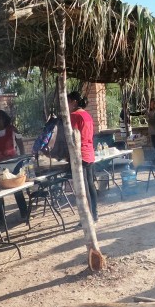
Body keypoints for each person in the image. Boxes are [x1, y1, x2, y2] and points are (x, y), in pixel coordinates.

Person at [0, 110, 29, 220]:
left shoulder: (12, 130)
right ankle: (0, 217)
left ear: (4, 119)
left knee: (17, 189)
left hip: (13, 166)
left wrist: (23, 160)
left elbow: (21, 145)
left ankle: (24, 213)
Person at [67, 91, 98, 223]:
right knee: (90, 185)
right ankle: (94, 215)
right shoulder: (87, 115)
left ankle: (88, 218)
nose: (67, 105)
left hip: (80, 154)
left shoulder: (74, 116)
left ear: (74, 102)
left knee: (84, 188)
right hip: (90, 153)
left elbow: (72, 137)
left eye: (68, 102)